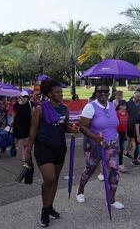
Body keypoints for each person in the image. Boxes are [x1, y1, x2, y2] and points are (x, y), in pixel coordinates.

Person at [25, 80, 78, 227]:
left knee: (54, 180)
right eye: (57, 92)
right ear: (49, 94)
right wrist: (27, 152)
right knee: (49, 178)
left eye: (61, 92)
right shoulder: (40, 109)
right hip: (43, 147)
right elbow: (33, 131)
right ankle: (44, 209)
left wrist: (72, 129)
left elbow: (65, 127)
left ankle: (50, 206)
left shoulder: (64, 109)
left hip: (59, 147)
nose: (61, 94)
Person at [76, 84, 125, 210]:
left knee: (114, 170)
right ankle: (80, 190)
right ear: (96, 93)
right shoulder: (90, 107)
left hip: (112, 143)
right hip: (95, 143)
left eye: (106, 91)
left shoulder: (112, 105)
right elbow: (82, 126)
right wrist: (95, 137)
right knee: (90, 168)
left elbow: (113, 123)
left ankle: (112, 200)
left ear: (109, 93)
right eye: (100, 91)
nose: (103, 93)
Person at [124, 90, 140, 160]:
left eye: (139, 97)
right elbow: (124, 112)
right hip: (130, 125)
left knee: (137, 140)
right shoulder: (128, 103)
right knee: (132, 140)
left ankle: (138, 153)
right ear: (134, 96)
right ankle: (136, 155)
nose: (138, 98)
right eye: (137, 96)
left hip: (139, 125)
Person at [13, 91, 32, 162]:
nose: (25, 98)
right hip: (18, 124)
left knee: (26, 141)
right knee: (20, 140)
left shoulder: (29, 104)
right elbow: (14, 114)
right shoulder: (16, 105)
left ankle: (26, 153)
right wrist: (12, 123)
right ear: (21, 97)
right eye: (24, 97)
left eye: (26, 97)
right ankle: (23, 155)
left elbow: (32, 113)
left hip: (27, 124)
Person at [116, 100, 128, 173]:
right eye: (122, 105)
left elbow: (126, 124)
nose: (124, 107)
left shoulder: (127, 114)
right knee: (118, 149)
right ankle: (120, 165)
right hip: (117, 133)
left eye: (125, 105)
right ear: (119, 106)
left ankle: (120, 164)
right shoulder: (116, 113)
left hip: (124, 133)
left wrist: (126, 133)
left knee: (122, 149)